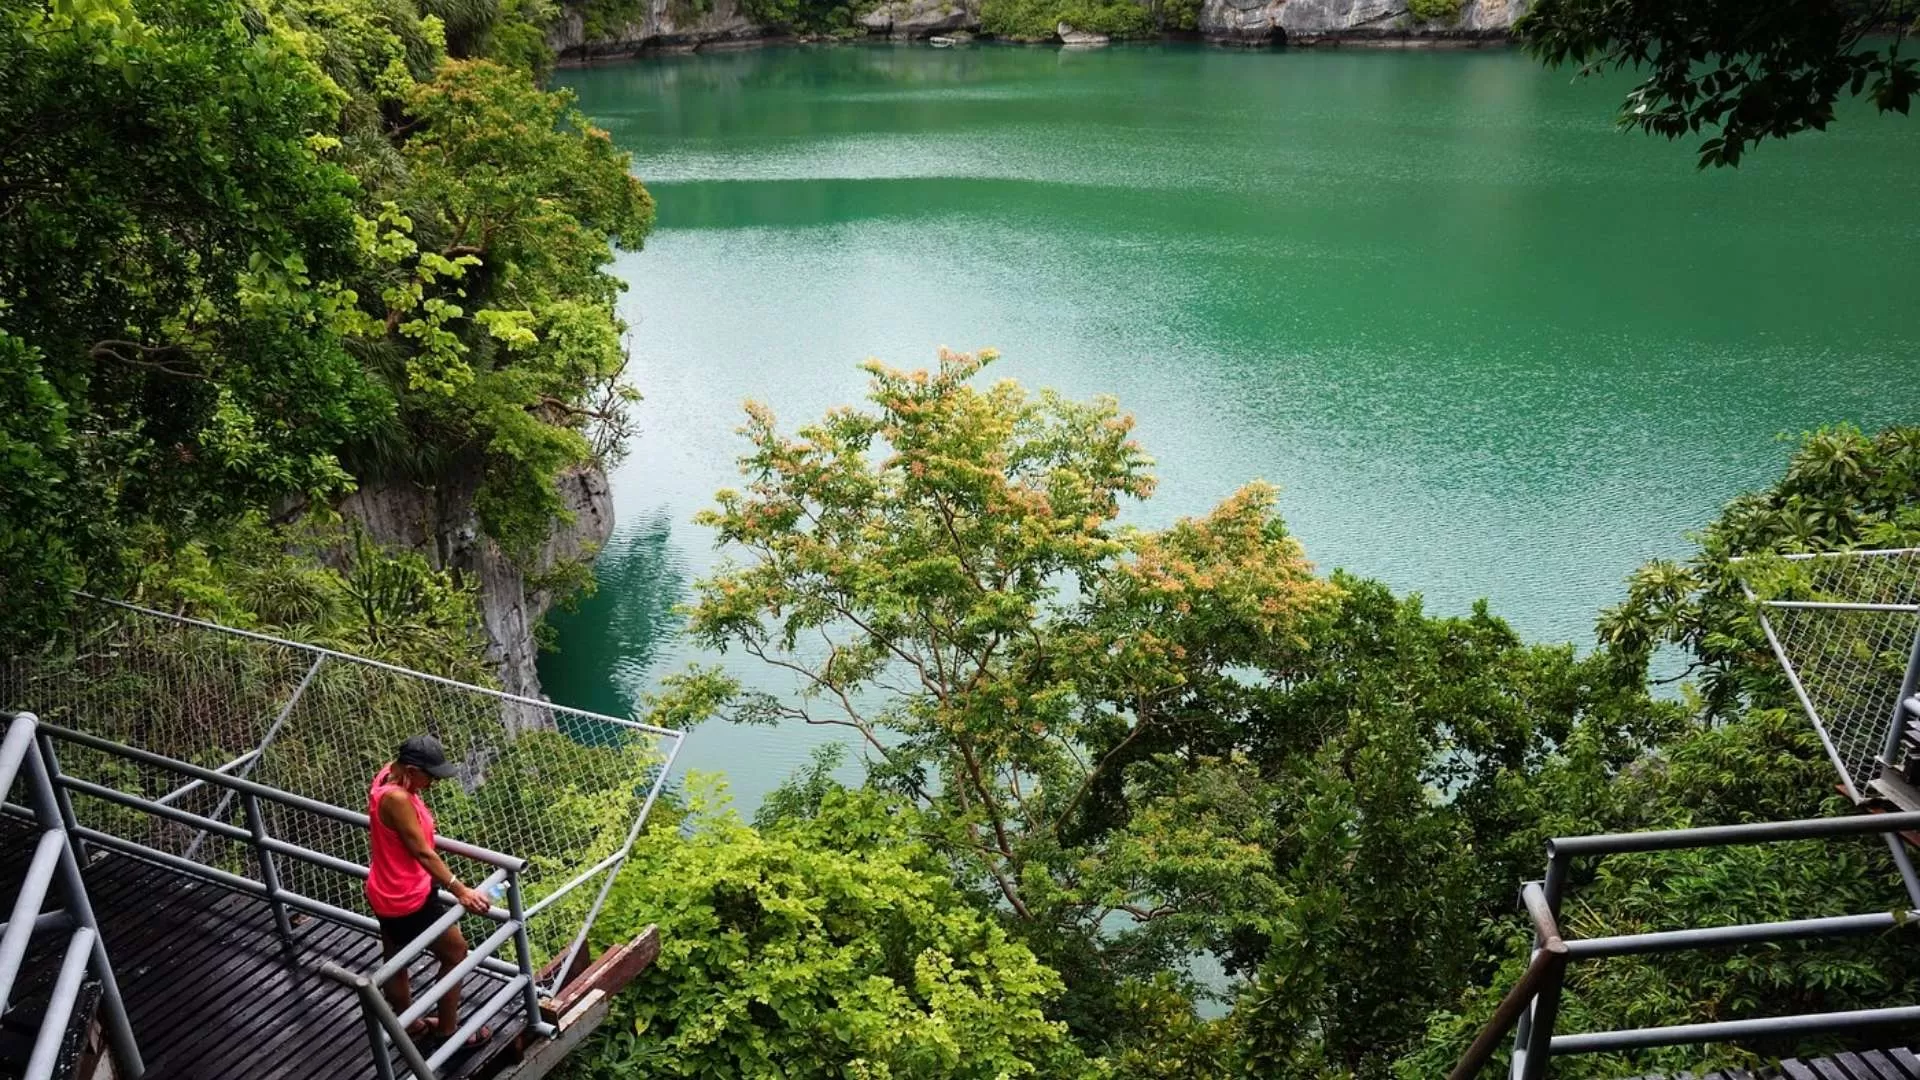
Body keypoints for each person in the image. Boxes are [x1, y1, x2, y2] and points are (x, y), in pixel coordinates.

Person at [366, 734, 495, 1046]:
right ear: (412, 770)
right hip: (407, 897)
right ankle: (447, 1030)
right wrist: (461, 890)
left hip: (384, 887)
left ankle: (409, 1025)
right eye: (431, 776)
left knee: (395, 959)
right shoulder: (397, 799)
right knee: (456, 952)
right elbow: (422, 853)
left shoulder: (388, 774)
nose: (434, 784)